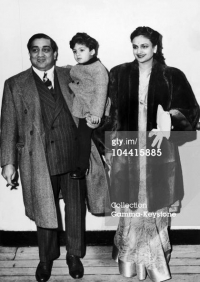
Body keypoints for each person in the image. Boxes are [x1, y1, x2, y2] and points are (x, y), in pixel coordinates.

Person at [0, 33, 109, 282]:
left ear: (55, 53)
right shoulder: (15, 84)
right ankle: (46, 258)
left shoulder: (71, 73)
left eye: (46, 49)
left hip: (73, 155)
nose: (40, 54)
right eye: (35, 50)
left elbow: (98, 92)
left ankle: (74, 256)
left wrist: (98, 115)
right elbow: (7, 125)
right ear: (29, 54)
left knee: (75, 209)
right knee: (44, 209)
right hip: (38, 158)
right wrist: (8, 162)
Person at [105, 26, 199, 281]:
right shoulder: (119, 74)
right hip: (128, 152)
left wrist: (170, 121)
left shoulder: (172, 76)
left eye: (144, 46)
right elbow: (110, 116)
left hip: (160, 152)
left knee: (155, 208)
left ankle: (154, 266)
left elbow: (191, 111)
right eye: (135, 46)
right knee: (133, 208)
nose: (139, 51)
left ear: (155, 47)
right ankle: (131, 264)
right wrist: (110, 148)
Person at [68, 32, 109, 179]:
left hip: (93, 108)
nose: (77, 54)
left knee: (83, 136)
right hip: (83, 105)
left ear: (92, 51)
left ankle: (82, 168)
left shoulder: (98, 69)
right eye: (74, 51)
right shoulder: (80, 66)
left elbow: (101, 91)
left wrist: (96, 114)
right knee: (78, 136)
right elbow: (73, 71)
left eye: (81, 50)